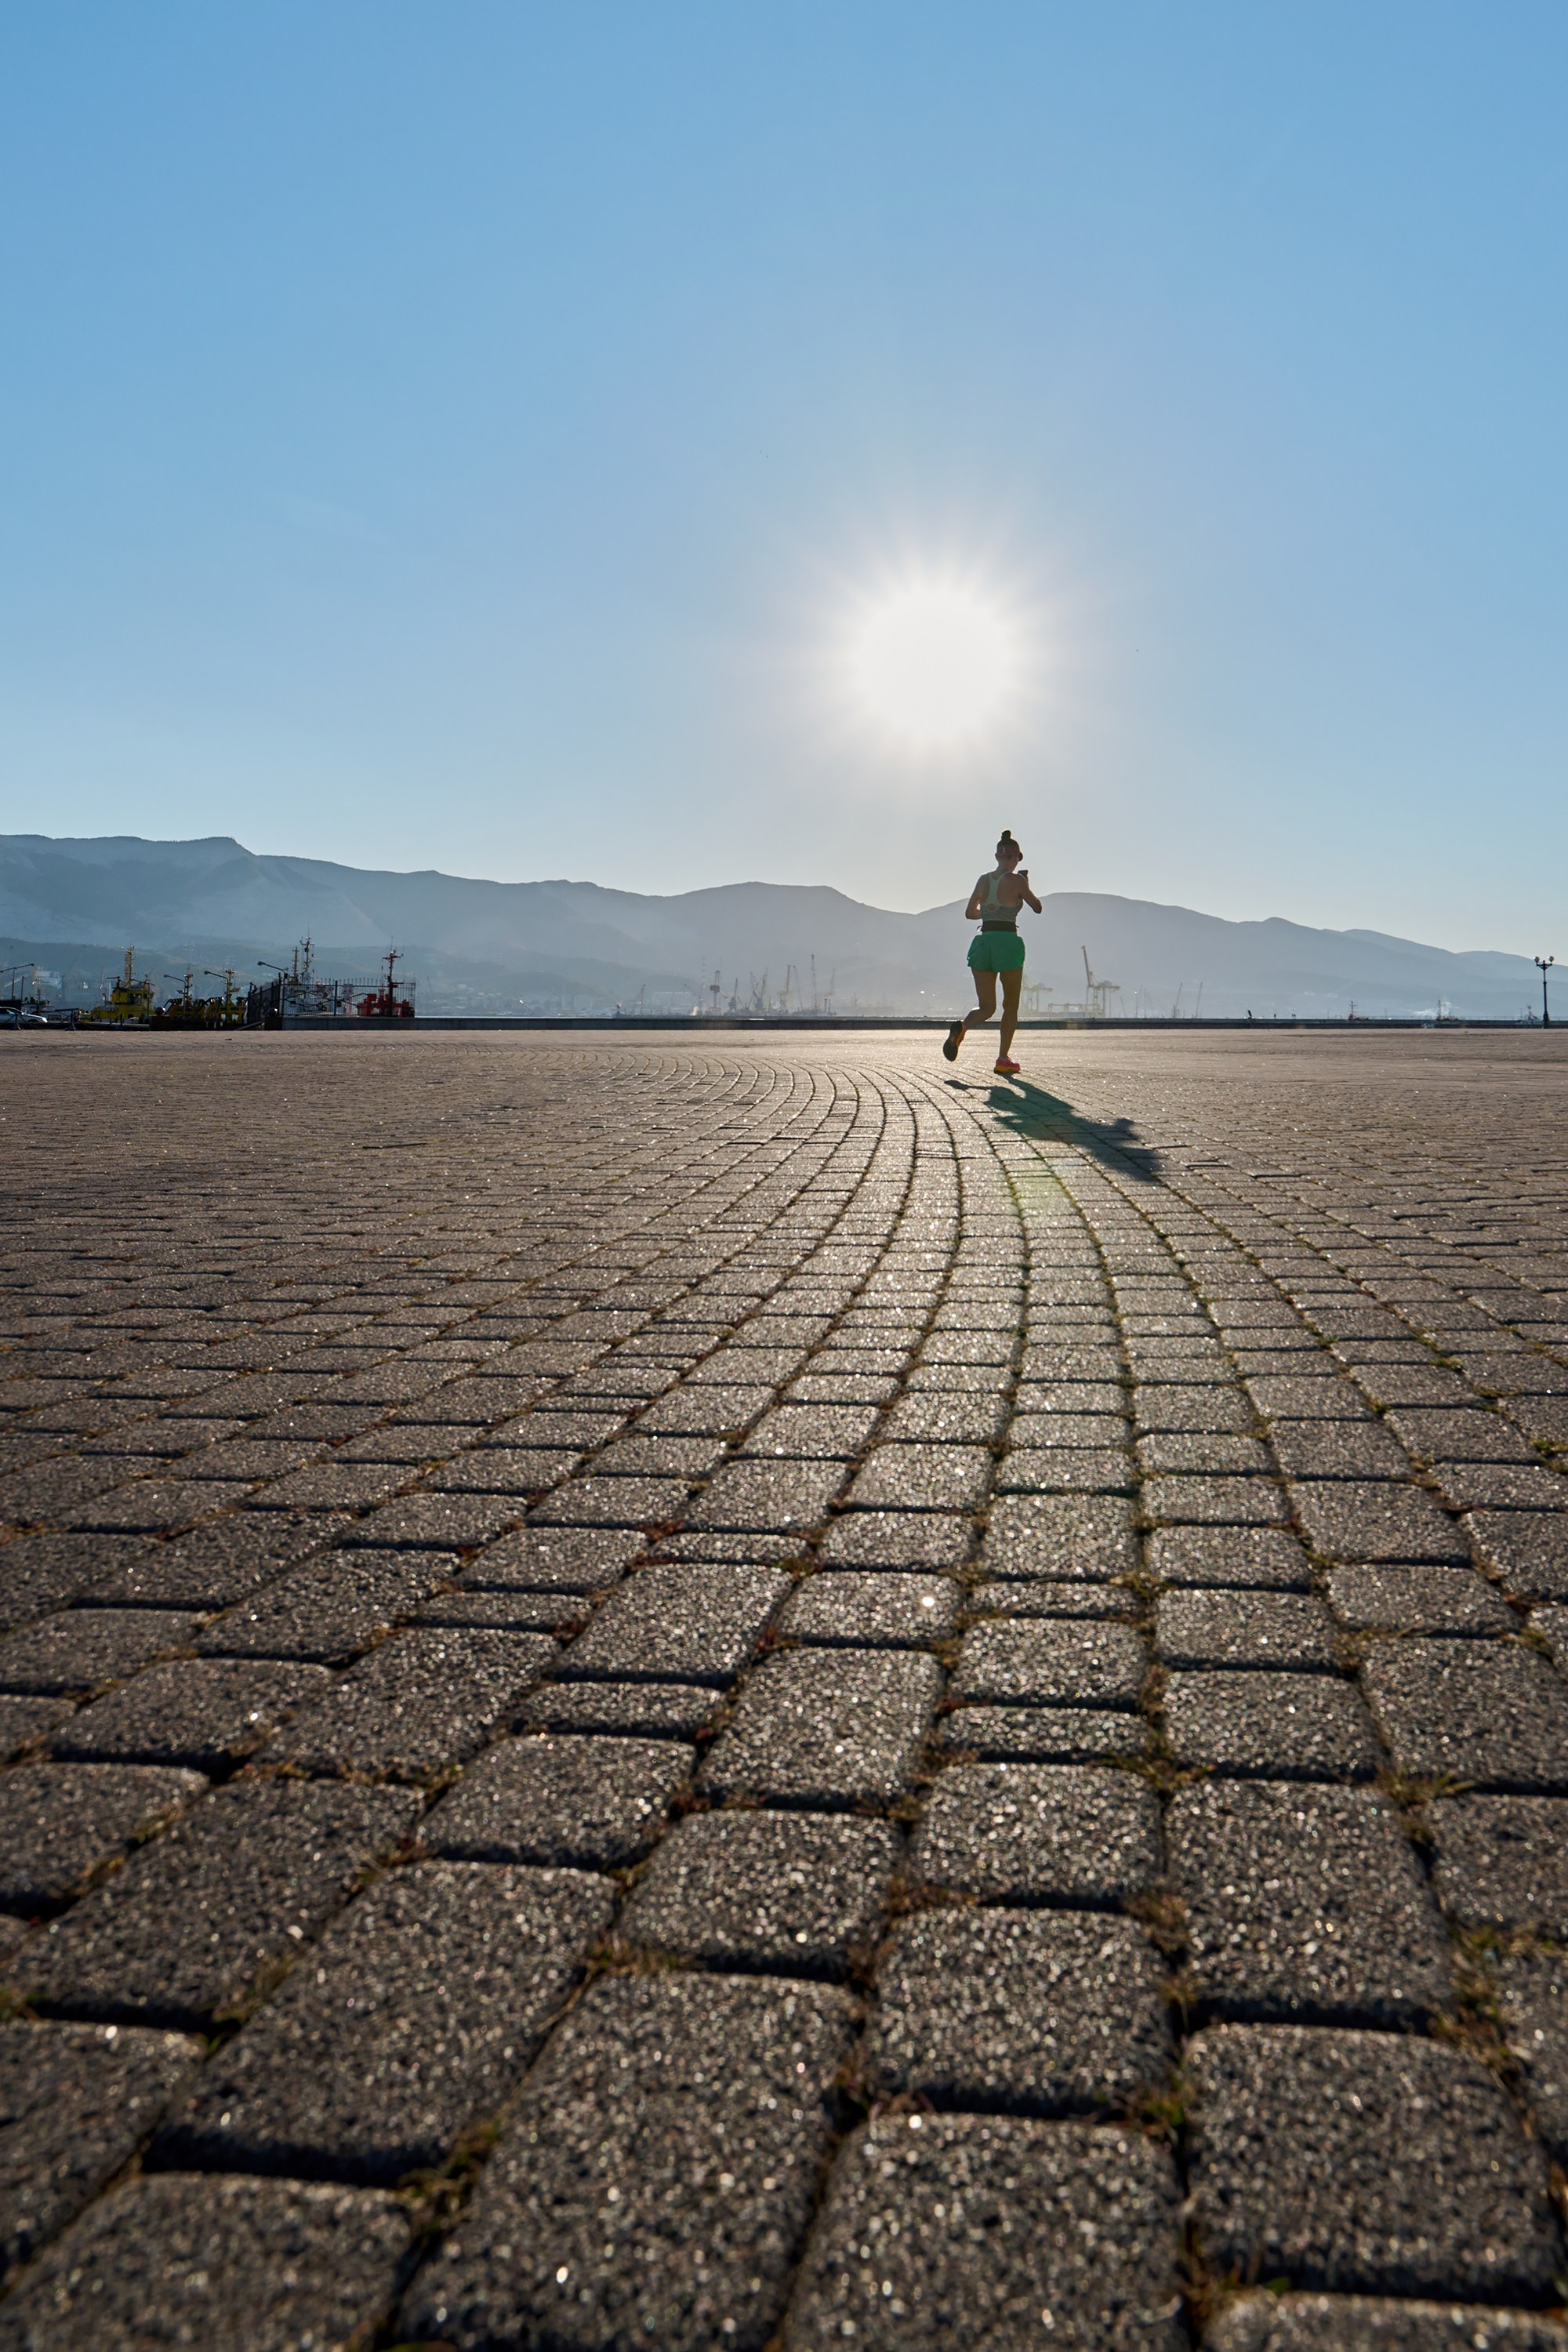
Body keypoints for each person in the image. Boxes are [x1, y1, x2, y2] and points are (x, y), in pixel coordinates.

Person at [942, 828, 1042, 1075]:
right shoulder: (1017, 880)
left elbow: (970, 913)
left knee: (986, 1007)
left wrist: (989, 911)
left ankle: (962, 1028)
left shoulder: (983, 880)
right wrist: (1026, 886)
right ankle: (1002, 1058)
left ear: (997, 856)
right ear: (1015, 857)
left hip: (983, 942)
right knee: (1010, 1006)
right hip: (1007, 943)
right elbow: (1037, 907)